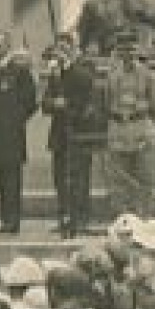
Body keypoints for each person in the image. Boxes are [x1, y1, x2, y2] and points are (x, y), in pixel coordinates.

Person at [0, 32, 37, 235]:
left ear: (7, 47)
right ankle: (5, 219)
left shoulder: (19, 72)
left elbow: (30, 102)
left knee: (12, 181)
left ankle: (13, 221)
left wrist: (14, 120)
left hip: (11, 137)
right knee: (0, 181)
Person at [101, 29, 155, 219]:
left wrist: (152, 127)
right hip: (118, 127)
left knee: (145, 177)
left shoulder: (148, 76)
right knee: (118, 178)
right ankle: (123, 219)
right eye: (123, 51)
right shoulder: (111, 76)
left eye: (131, 50)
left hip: (141, 127)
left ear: (137, 51)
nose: (127, 55)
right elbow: (106, 102)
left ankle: (144, 218)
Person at [43, 33, 102, 237]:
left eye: (64, 48)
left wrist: (67, 104)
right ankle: (64, 217)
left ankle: (81, 218)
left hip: (78, 133)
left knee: (79, 178)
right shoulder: (54, 74)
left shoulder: (82, 72)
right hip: (59, 134)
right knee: (60, 178)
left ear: (72, 49)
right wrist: (53, 103)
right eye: (58, 48)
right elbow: (45, 103)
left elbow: (85, 100)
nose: (60, 52)